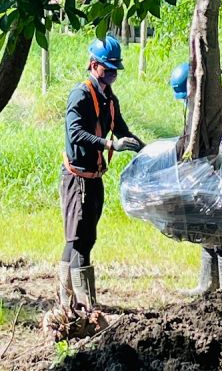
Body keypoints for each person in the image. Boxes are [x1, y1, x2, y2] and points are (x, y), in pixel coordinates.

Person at [60, 35, 143, 313]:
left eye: (115, 70)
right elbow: (75, 133)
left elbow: (121, 130)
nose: (112, 74)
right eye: (108, 69)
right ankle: (80, 304)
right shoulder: (81, 95)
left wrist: (142, 149)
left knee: (87, 237)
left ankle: (74, 301)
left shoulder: (109, 98)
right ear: (94, 65)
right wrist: (108, 144)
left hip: (95, 178)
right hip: (77, 178)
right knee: (78, 239)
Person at [169, 60, 222, 293]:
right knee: (206, 230)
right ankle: (207, 284)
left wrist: (205, 165)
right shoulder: (198, 108)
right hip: (207, 177)